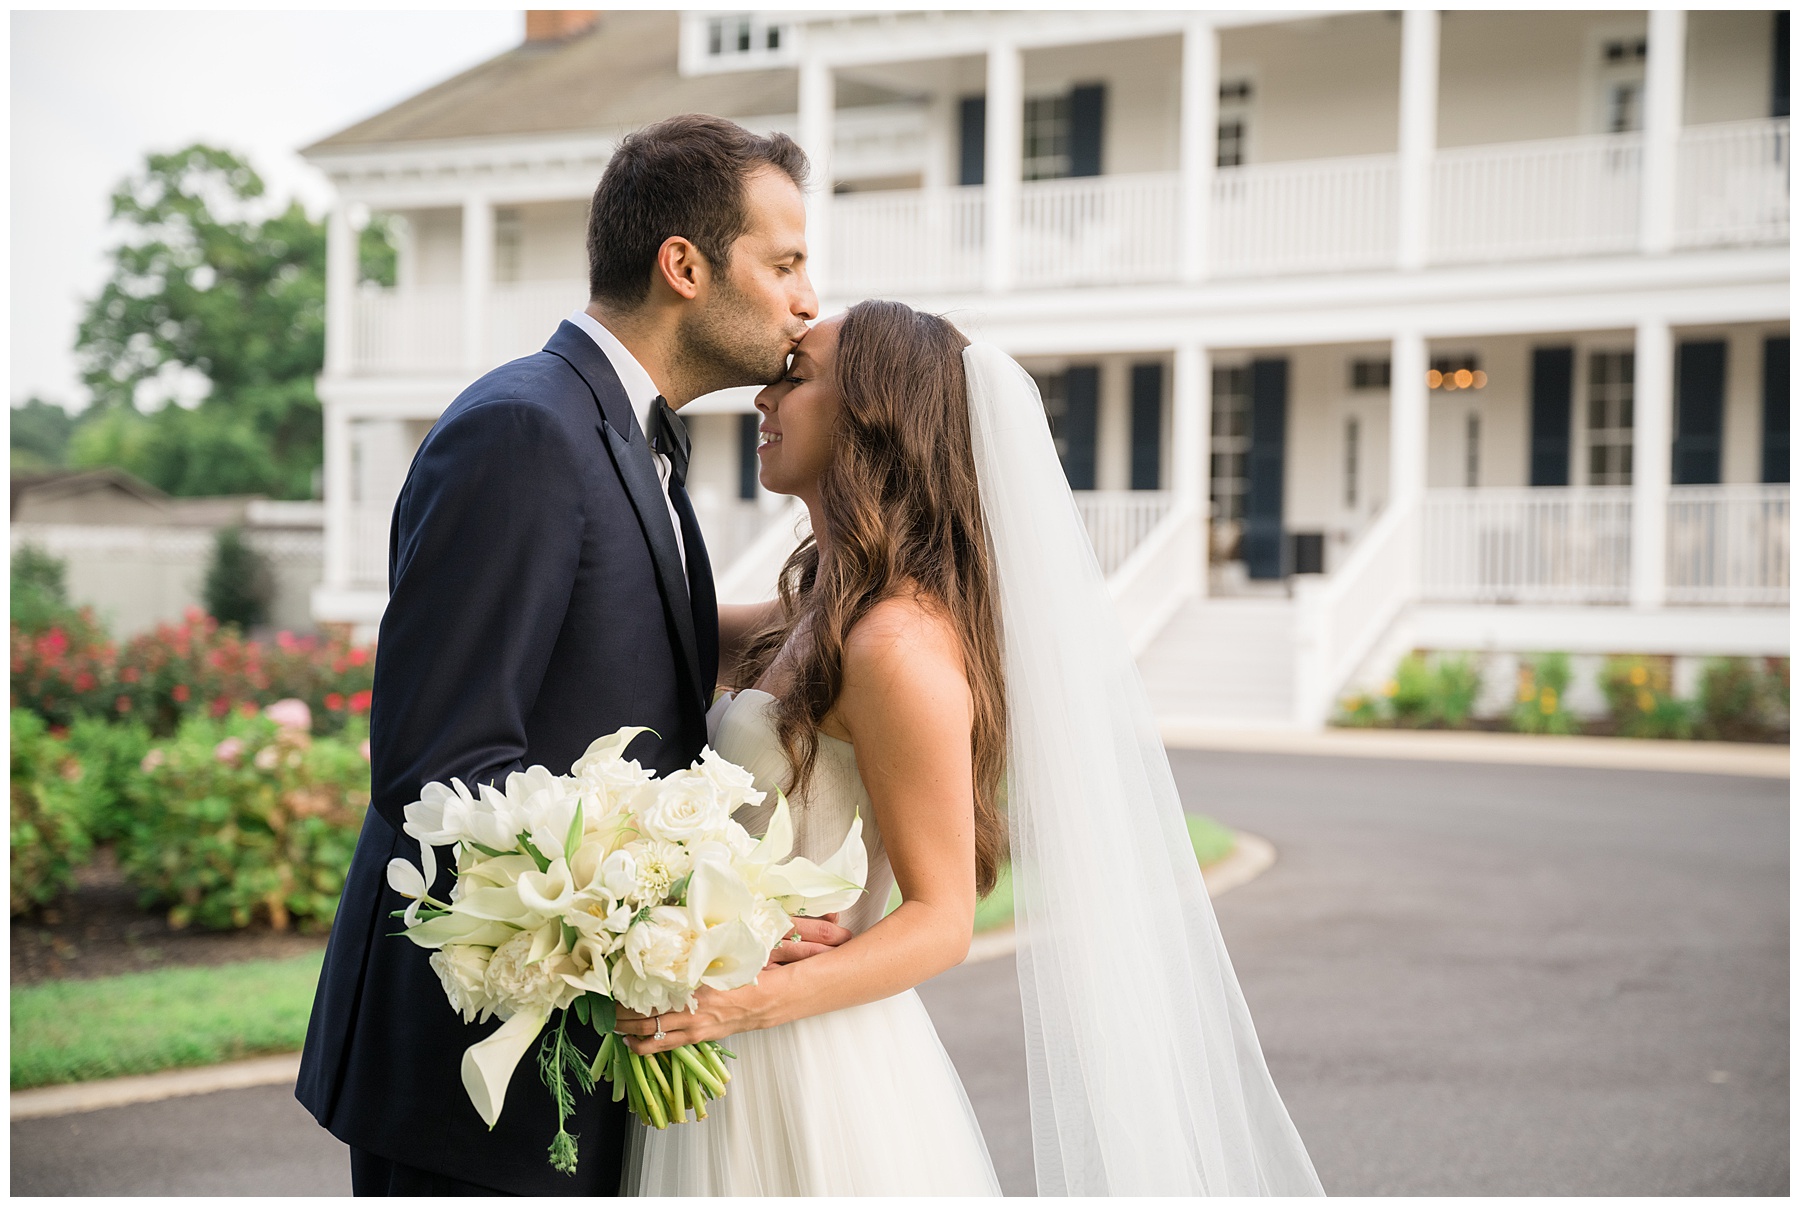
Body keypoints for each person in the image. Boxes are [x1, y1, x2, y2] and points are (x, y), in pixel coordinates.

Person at [614, 300, 1326, 1195]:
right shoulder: (817, 611)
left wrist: (744, 1001)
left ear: (875, 415)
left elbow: (943, 917)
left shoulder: (896, 645)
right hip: (726, 1042)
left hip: (798, 1056)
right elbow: (651, 626)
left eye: (797, 376)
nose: (765, 396)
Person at [293, 114, 850, 1196]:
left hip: (586, 1046)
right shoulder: (524, 431)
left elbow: (632, 645)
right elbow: (439, 767)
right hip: (475, 1068)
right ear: (683, 266)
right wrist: (684, 918)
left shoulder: (633, 432)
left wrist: (858, 624)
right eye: (783, 263)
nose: (806, 300)